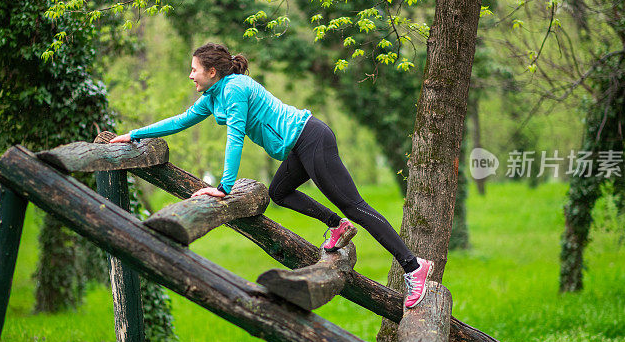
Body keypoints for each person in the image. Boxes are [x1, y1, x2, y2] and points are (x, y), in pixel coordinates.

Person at [110, 43, 432, 308]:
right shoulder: (213, 97)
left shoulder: (234, 89)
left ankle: (413, 266)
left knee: (355, 205)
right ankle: (336, 225)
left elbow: (234, 138)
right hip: (299, 148)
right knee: (279, 192)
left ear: (211, 72)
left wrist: (223, 187)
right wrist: (134, 134)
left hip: (311, 139)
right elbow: (180, 121)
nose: (190, 75)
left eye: (194, 69)